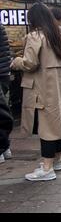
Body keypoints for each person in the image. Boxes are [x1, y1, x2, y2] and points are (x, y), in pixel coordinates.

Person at [11, 3, 61, 181]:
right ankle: (56, 161)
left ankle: (47, 167)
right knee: (56, 122)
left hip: (41, 86)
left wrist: (17, 61)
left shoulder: (35, 36)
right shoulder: (56, 34)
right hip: (56, 87)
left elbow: (30, 63)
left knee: (46, 128)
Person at [0, 23, 12, 163]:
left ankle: (2, 148)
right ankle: (5, 147)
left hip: (2, 73)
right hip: (4, 73)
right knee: (3, 109)